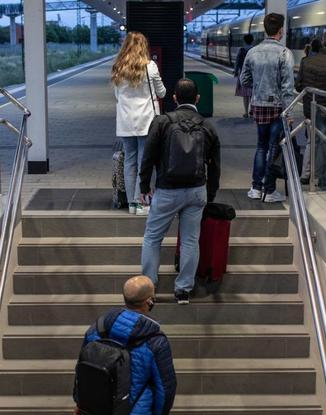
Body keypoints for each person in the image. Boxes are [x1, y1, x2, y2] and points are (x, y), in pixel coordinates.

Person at [76, 275, 177, 415]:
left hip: (97, 408)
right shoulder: (155, 340)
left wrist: (80, 403)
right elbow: (165, 386)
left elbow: (82, 366)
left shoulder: (98, 327)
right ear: (149, 301)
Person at [139, 79, 221, 304]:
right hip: (196, 191)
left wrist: (144, 186)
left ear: (174, 98)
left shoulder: (162, 122)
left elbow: (148, 157)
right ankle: (183, 290)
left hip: (167, 190)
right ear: (197, 99)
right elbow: (215, 166)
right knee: (190, 240)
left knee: (153, 237)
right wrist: (210, 194)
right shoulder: (207, 125)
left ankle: (147, 289)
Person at [241, 12, 297, 203]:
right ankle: (269, 190)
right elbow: (288, 87)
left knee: (261, 147)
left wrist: (258, 86)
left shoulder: (252, 52)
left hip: (258, 105)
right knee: (274, 148)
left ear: (265, 29)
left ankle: (256, 188)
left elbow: (244, 80)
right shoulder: (284, 53)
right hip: (278, 107)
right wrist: (289, 112)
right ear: (281, 30)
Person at [112, 32, 167, 216]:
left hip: (126, 120)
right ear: (144, 47)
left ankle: (131, 203)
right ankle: (140, 202)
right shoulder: (150, 67)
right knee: (145, 161)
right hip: (146, 120)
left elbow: (116, 96)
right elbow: (163, 92)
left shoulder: (118, 67)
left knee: (129, 160)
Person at [296, 32, 326, 190]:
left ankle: (307, 175)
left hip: (310, 109)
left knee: (312, 141)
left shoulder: (306, 61)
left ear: (323, 43)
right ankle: (325, 179)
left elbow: (298, 86)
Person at [233, 34, 255, 118]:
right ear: (252, 40)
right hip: (253, 74)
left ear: (244, 41)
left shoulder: (242, 50)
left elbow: (237, 62)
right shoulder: (254, 50)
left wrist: (235, 72)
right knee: (253, 94)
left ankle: (246, 112)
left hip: (243, 74)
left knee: (245, 94)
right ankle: (252, 111)